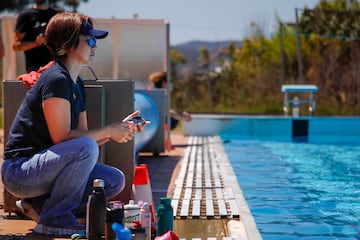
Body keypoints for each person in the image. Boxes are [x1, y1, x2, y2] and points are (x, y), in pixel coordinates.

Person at [1, 12, 147, 236]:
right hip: (20, 172)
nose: (94, 45)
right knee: (87, 148)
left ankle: (41, 207)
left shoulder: (75, 83)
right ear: (67, 44)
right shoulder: (56, 79)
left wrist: (118, 129)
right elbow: (64, 138)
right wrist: (108, 130)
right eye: (89, 40)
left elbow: (82, 139)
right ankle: (54, 219)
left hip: (44, 168)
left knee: (113, 180)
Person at [12, 0, 61, 72]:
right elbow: (15, 46)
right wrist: (36, 43)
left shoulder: (56, 15)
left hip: (56, 68)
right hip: (35, 70)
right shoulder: (26, 15)